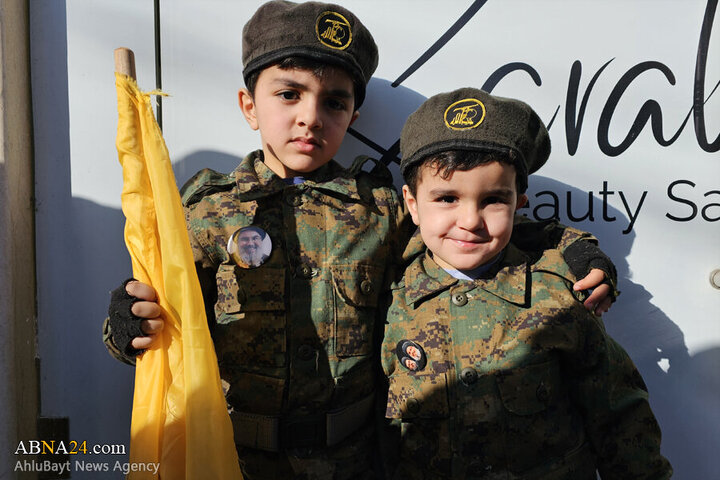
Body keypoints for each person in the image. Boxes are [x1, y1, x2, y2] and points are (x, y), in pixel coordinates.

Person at [103, 2, 618, 478]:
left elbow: (468, 232)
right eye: (288, 94)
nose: (310, 116)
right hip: (235, 457)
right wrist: (127, 325)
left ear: (352, 115)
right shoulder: (204, 211)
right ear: (249, 105)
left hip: (351, 461)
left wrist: (571, 244)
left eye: (334, 101)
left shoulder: (381, 209)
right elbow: (165, 311)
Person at [380, 87, 672, 479]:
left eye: (492, 200)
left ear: (519, 202)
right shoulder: (387, 293)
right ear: (412, 204)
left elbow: (617, 409)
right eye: (447, 198)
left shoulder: (557, 293)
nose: (469, 220)